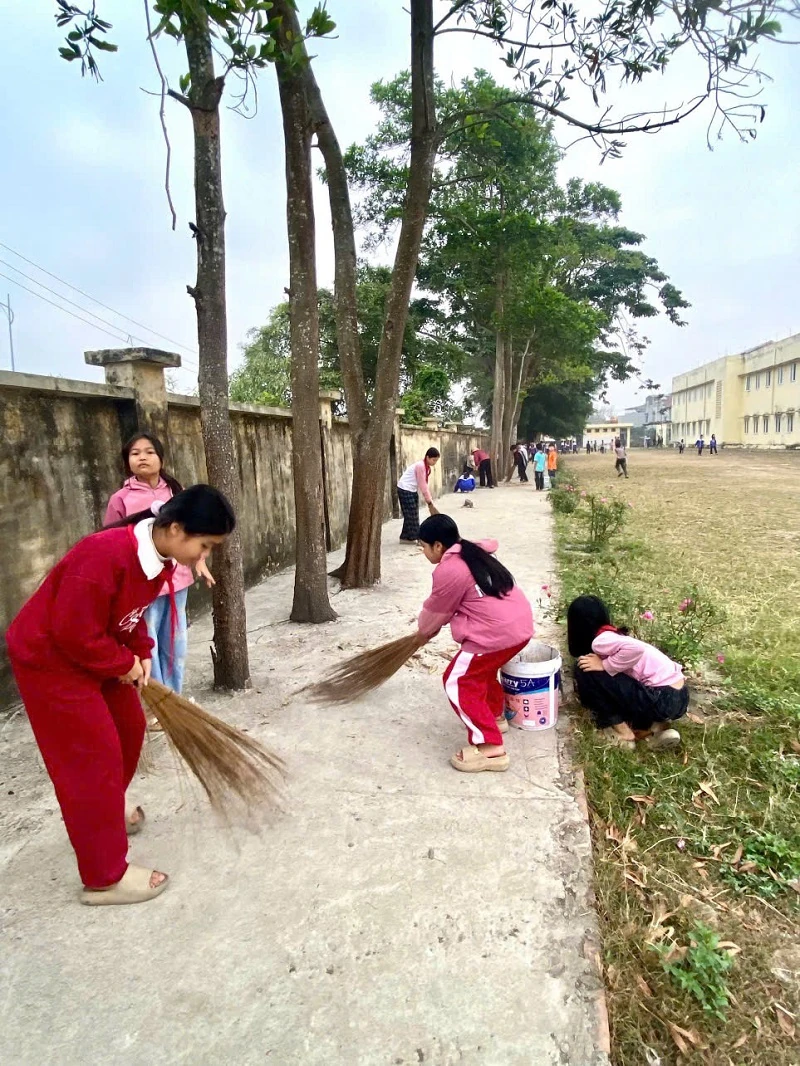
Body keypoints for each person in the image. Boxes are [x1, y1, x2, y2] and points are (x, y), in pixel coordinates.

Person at [5, 485, 236, 906]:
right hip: (51, 660)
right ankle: (104, 877)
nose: (202, 557)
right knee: (91, 759)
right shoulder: (104, 555)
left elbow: (132, 615)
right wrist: (122, 662)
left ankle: (104, 813)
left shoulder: (158, 557)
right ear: (176, 528)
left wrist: (142, 653)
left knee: (128, 732)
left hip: (97, 650)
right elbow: (71, 632)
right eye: (204, 546)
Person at [416, 515, 534, 773]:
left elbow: (436, 611)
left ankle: (491, 748)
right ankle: (494, 715)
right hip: (520, 629)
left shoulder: (451, 569)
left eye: (423, 546)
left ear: (438, 546)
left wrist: (423, 632)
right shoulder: (473, 552)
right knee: (482, 671)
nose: (423, 552)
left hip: (497, 634)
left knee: (457, 680)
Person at [104, 433, 214, 693]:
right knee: (147, 642)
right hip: (142, 583)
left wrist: (200, 561)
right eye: (135, 453)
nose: (142, 457)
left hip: (177, 580)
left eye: (149, 451)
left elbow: (195, 532)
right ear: (127, 461)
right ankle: (157, 703)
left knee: (176, 643)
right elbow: (111, 539)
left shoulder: (177, 492)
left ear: (161, 458)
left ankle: (174, 697)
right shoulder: (120, 499)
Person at [567, 595, 689, 752]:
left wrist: (604, 664)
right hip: (680, 696)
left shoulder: (600, 641)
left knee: (584, 668)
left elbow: (636, 650)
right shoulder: (614, 636)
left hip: (661, 697)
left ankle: (623, 733)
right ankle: (655, 729)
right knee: (618, 678)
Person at [397, 447, 440, 542]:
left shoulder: (426, 467)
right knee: (412, 515)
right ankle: (417, 537)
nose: (434, 462)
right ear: (427, 457)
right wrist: (429, 501)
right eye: (433, 460)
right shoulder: (420, 466)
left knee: (412, 513)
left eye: (436, 460)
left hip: (411, 490)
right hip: (405, 489)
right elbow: (423, 484)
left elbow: (423, 484)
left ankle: (405, 537)